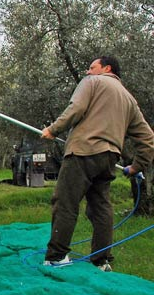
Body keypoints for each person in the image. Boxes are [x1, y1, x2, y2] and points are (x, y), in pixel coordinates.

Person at [41, 55, 154, 272]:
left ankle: (56, 257)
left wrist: (53, 129)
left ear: (106, 68)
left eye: (92, 67)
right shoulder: (129, 99)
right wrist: (137, 166)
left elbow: (76, 108)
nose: (87, 71)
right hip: (109, 158)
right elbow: (148, 138)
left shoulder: (92, 82)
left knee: (65, 202)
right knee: (100, 207)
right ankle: (102, 260)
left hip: (83, 152)